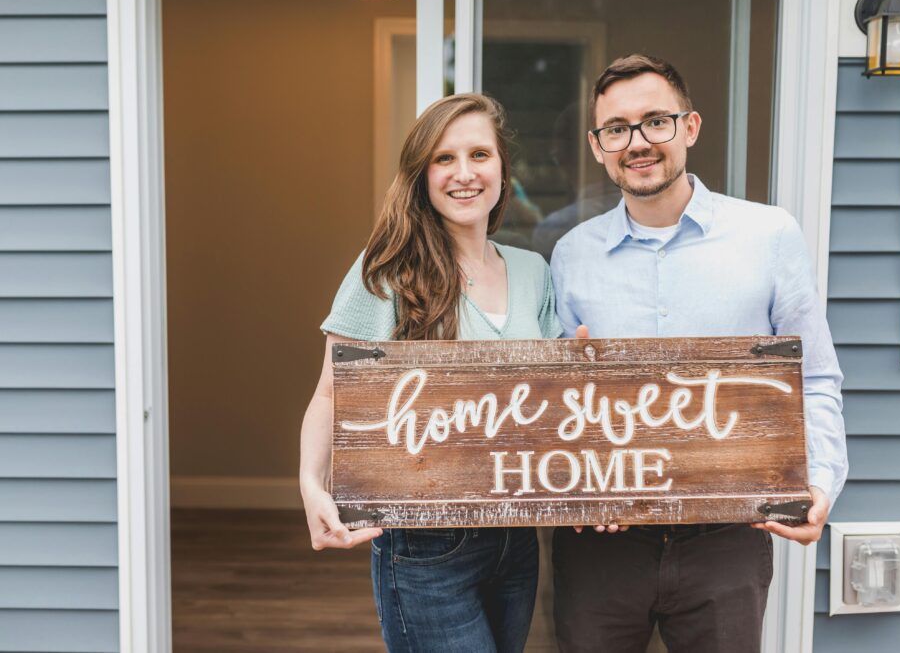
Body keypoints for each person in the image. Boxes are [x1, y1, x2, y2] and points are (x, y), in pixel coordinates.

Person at [548, 54, 849, 652]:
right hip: (602, 544)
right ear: (597, 145)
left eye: (655, 121)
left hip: (727, 536)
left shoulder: (769, 236)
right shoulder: (571, 253)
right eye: (617, 128)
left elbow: (812, 376)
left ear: (690, 127)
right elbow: (558, 403)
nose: (637, 142)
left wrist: (820, 481)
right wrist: (574, 481)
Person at [299, 93, 563, 652]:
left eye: (479, 155)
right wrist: (310, 485)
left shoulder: (534, 271)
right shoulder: (388, 271)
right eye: (444, 159)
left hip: (517, 540)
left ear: (502, 170)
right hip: (424, 542)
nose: (463, 174)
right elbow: (331, 391)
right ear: (421, 175)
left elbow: (555, 402)